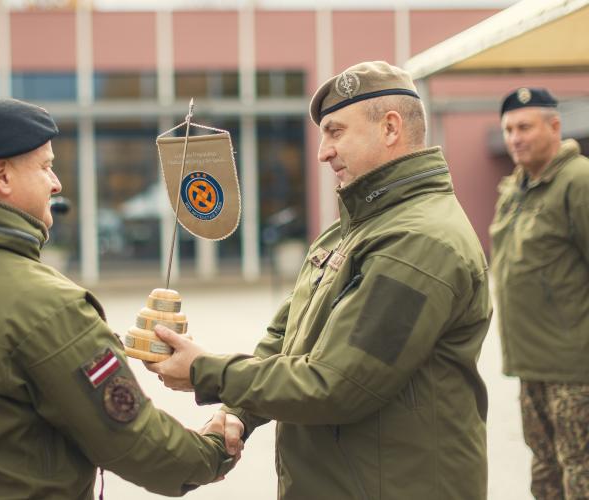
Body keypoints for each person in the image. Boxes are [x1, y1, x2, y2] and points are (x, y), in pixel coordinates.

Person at [147, 61, 492, 499]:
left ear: (389, 128)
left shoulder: (419, 241)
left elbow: (336, 386)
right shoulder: (355, 228)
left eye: (336, 132)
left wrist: (204, 371)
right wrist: (237, 413)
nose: (322, 152)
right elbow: (284, 341)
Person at [0, 97, 236, 500]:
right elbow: (137, 446)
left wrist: (95, 343)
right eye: (45, 166)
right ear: (3, 176)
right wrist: (215, 448)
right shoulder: (49, 307)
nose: (57, 182)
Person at [490, 87, 589, 499]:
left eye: (525, 126)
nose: (515, 137)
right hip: (531, 366)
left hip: (574, 369)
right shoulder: (516, 189)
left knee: (579, 474)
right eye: (509, 129)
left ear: (554, 126)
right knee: (545, 473)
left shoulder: (578, 180)